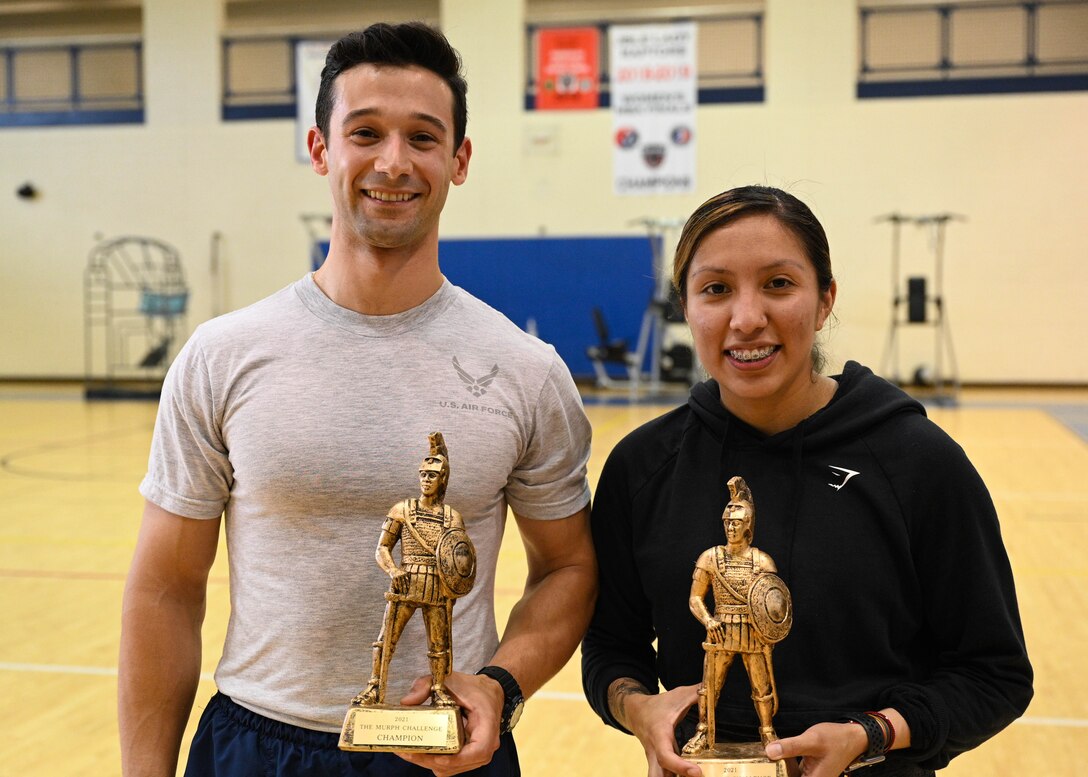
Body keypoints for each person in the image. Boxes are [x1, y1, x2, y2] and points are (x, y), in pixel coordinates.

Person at [119, 22, 595, 777]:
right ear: (321, 150)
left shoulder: (526, 369)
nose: (394, 162)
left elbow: (568, 568)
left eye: (423, 137)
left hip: (447, 751)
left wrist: (500, 686)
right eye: (365, 132)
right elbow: (166, 587)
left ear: (459, 160)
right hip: (258, 742)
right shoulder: (223, 355)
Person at [580, 185, 1032, 777]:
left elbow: (993, 674)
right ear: (685, 307)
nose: (747, 319)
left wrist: (871, 734)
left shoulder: (918, 462)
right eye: (716, 289)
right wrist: (637, 708)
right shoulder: (643, 466)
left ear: (824, 301)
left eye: (778, 284)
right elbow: (612, 648)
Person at [353, 432, 470, 709]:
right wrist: (393, 571)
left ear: (442, 479)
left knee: (439, 645)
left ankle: (439, 689)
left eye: (432, 476)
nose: (426, 480)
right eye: (423, 474)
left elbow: (459, 557)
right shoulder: (402, 510)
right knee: (385, 641)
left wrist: (454, 585)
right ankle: (374, 687)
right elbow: (382, 548)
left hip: (437, 586)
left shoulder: (452, 517)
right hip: (406, 582)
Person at [682, 476, 787, 755]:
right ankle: (703, 731)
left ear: (748, 525)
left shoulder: (762, 561)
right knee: (709, 688)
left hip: (752, 632)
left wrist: (768, 630)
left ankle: (767, 731)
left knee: (761, 688)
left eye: (737, 523)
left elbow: (774, 603)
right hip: (720, 630)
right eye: (727, 522)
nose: (731, 527)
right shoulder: (710, 558)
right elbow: (695, 598)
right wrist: (708, 620)